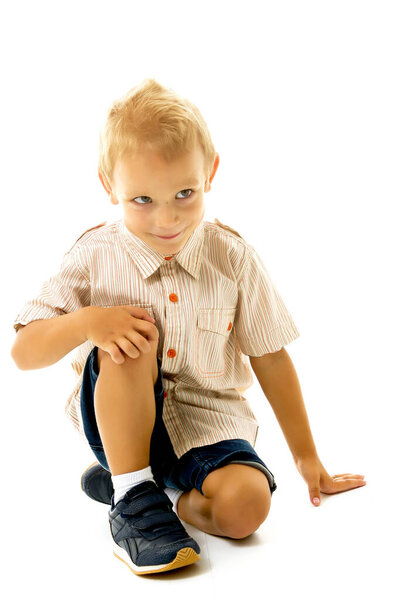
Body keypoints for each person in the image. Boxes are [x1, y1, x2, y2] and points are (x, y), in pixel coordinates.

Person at [11, 78, 366, 577]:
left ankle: (163, 492)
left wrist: (308, 460)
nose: (167, 218)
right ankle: (133, 495)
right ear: (108, 185)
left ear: (211, 172)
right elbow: (24, 352)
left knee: (248, 509)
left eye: (184, 192)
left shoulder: (232, 256)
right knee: (130, 336)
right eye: (142, 200)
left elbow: (269, 355)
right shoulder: (95, 255)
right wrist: (89, 321)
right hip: (119, 419)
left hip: (208, 425)